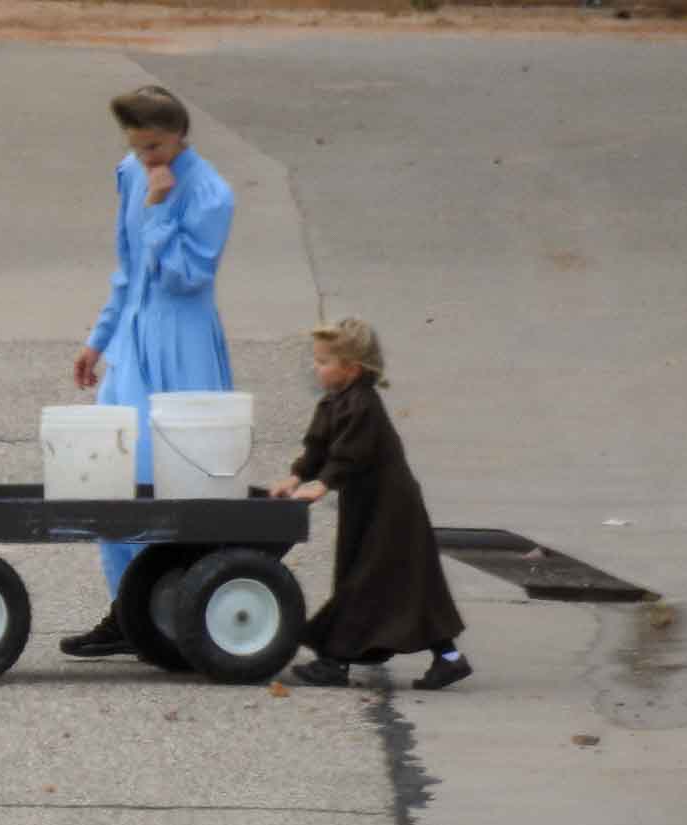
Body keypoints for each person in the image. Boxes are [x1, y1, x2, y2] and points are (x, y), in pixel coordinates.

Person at [61, 85, 236, 658]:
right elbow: (127, 265)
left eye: (155, 147)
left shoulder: (210, 193)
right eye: (137, 148)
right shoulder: (131, 172)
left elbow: (187, 276)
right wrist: (99, 336)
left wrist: (161, 210)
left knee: (177, 475)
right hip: (134, 336)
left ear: (180, 135)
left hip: (182, 340)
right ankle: (127, 607)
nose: (146, 159)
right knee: (113, 472)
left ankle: (174, 603)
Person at [270, 319, 471, 690]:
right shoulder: (335, 401)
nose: (317, 367)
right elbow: (319, 445)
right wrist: (298, 475)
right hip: (368, 505)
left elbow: (351, 453)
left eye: (324, 362)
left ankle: (335, 662)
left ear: (352, 368)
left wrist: (325, 484)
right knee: (400, 585)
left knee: (366, 582)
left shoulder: (362, 404)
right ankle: (449, 658)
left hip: (390, 508)